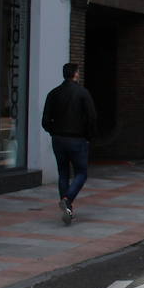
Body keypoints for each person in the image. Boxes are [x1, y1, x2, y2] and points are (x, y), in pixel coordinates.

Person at [40, 62, 97, 226]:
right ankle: (67, 199)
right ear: (76, 74)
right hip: (77, 139)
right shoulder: (83, 93)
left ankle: (67, 208)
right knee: (81, 173)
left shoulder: (53, 93)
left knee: (63, 173)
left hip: (58, 139)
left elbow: (45, 120)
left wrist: (53, 131)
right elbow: (92, 117)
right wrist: (89, 136)